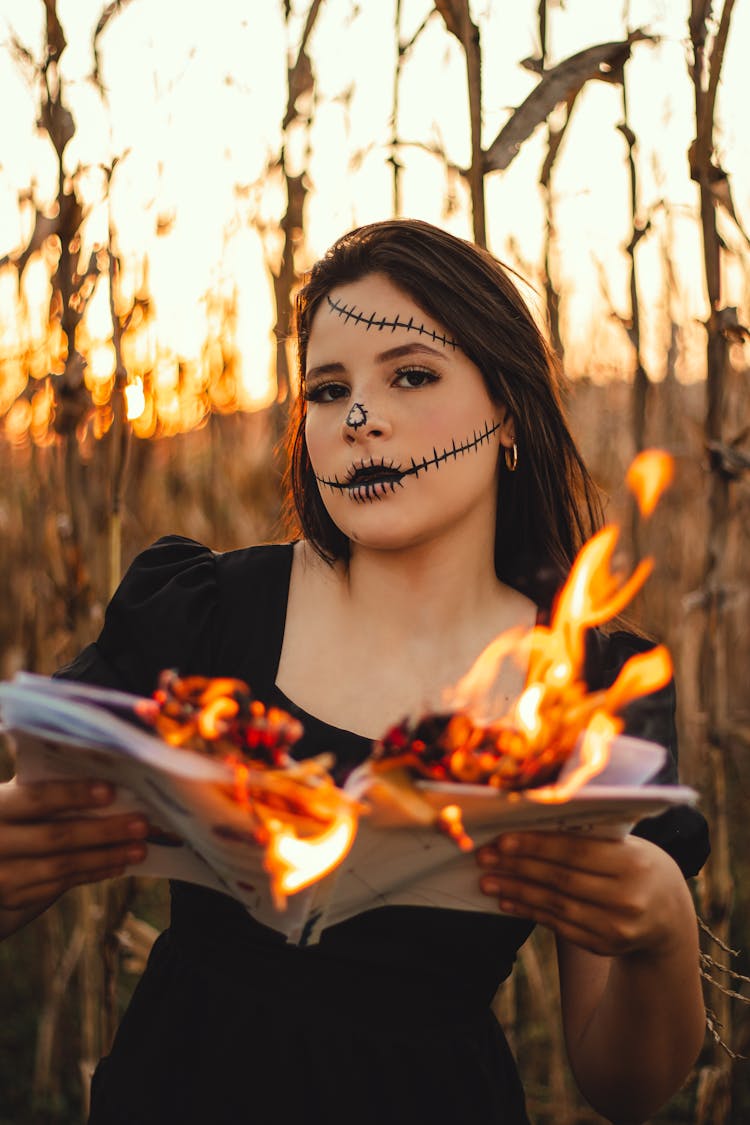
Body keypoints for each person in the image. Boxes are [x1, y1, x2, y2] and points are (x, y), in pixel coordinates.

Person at [0, 219, 709, 1124]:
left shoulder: (600, 683)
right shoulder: (203, 613)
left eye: (411, 375)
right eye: (328, 391)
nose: (360, 416)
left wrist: (661, 928)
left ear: (509, 414)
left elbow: (627, 1086)